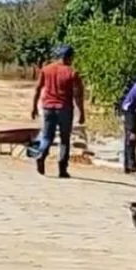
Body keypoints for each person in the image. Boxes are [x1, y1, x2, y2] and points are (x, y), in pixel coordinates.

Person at [30, 45, 87, 178]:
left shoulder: (46, 69)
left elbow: (38, 88)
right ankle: (62, 169)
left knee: (47, 136)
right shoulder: (72, 72)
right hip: (65, 109)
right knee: (64, 139)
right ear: (70, 57)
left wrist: (33, 107)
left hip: (48, 108)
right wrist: (82, 112)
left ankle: (41, 155)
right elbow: (78, 95)